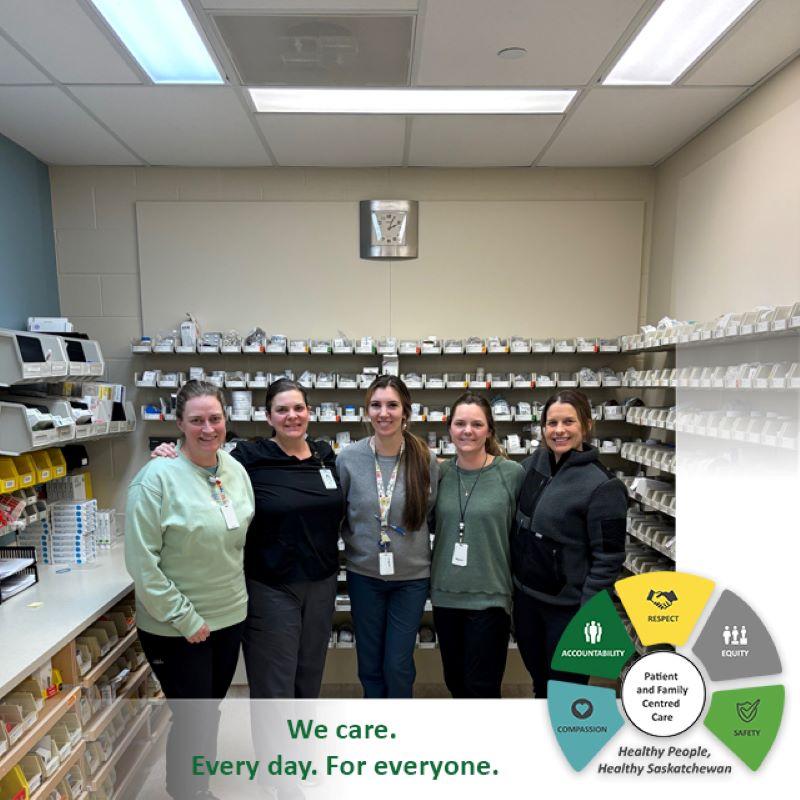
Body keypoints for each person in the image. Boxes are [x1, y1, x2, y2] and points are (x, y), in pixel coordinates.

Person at [151, 378, 344, 698]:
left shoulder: (324, 456)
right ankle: (277, 749)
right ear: (268, 417)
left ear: (309, 412)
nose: (292, 416)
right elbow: (203, 468)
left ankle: (302, 743)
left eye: (299, 408)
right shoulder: (250, 457)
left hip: (321, 583)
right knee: (274, 683)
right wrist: (171, 454)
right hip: (271, 586)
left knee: (309, 675)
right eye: (282, 410)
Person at [125, 380, 255, 800]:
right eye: (196, 420)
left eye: (215, 418)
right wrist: (185, 617)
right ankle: (189, 791)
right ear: (179, 423)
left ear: (225, 421)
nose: (207, 428)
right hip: (177, 626)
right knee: (193, 715)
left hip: (229, 615)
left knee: (205, 712)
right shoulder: (155, 478)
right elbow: (143, 564)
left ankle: (194, 784)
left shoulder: (234, 470)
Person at [511, 389, 627, 698]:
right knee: (540, 682)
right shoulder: (533, 465)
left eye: (568, 422)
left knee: (568, 690)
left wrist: (587, 612)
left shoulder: (603, 485)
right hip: (527, 601)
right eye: (551, 423)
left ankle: (570, 743)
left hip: (568, 610)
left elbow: (609, 556)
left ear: (586, 425)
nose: (559, 430)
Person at [336, 374, 438, 698]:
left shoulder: (425, 458)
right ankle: (377, 732)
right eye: (376, 405)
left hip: (410, 577)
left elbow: (431, 512)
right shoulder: (348, 458)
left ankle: (399, 730)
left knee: (397, 663)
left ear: (405, 410)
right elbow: (339, 511)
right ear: (368, 410)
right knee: (369, 663)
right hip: (364, 574)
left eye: (392, 405)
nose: (384, 412)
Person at [430, 392, 524, 698]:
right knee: (455, 683)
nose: (467, 430)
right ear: (450, 429)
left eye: (476, 424)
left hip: (491, 597)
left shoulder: (511, 474)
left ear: (489, 430)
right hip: (446, 596)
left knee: (482, 688)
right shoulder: (440, 473)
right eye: (460, 423)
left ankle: (484, 745)